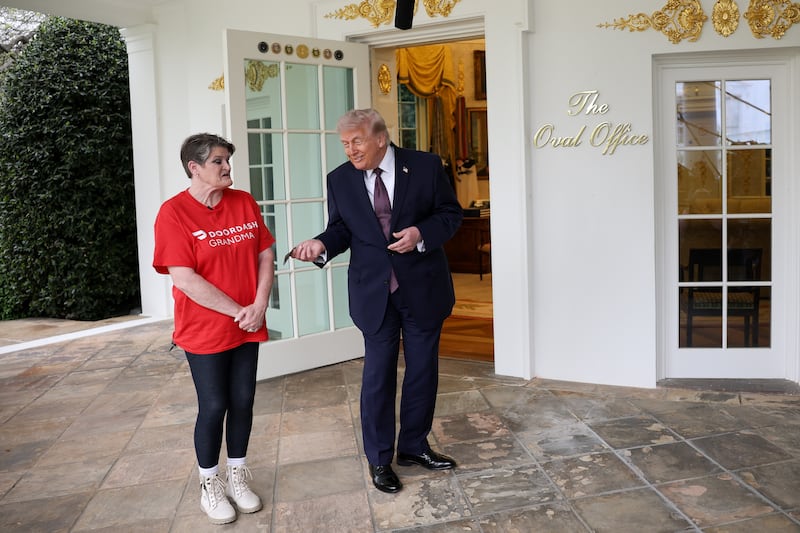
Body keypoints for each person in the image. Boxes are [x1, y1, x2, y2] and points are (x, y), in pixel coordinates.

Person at [290, 109, 463, 493]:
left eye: (357, 141)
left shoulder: (426, 166)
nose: (350, 150)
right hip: (373, 293)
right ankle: (380, 459)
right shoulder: (340, 179)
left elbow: (450, 214)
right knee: (377, 377)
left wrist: (420, 233)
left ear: (380, 138)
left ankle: (414, 447)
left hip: (423, 288)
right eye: (345, 144)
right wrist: (321, 244)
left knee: (422, 372)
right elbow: (341, 229)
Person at [153, 133, 275, 524]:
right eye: (218, 161)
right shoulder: (173, 213)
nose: (227, 167)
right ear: (195, 167)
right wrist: (240, 311)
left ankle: (237, 476)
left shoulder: (243, 202)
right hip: (204, 328)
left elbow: (265, 253)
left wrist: (259, 305)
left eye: (227, 160)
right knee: (214, 405)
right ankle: (210, 485)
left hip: (248, 322)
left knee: (243, 400)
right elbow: (185, 279)